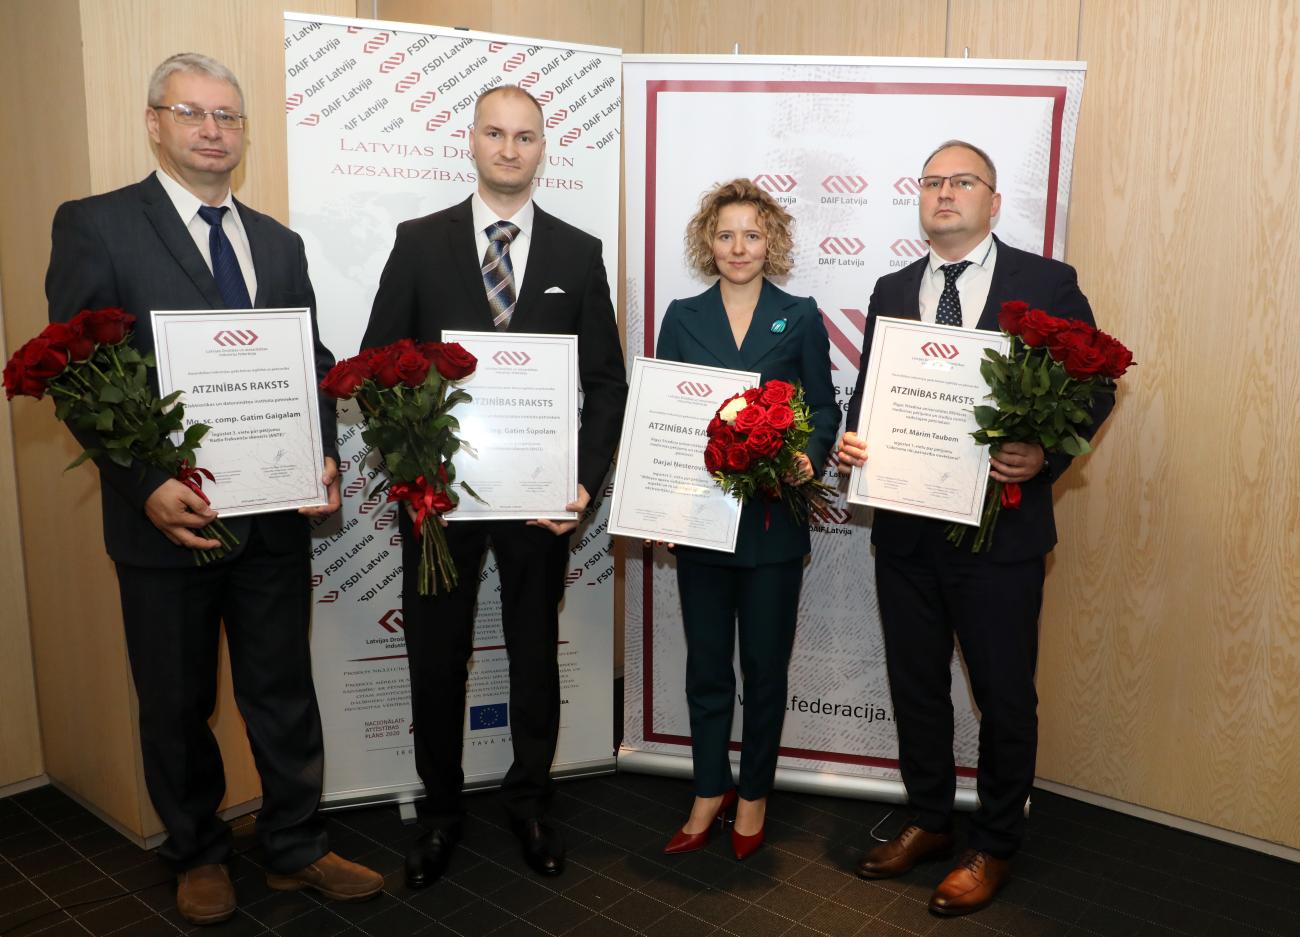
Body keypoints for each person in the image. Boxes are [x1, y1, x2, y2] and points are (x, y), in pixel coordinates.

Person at [44, 53, 382, 925]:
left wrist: (321, 452)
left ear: (244, 133)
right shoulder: (96, 225)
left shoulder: (278, 242)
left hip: (272, 517)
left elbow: (306, 362)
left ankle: (295, 845)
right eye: (191, 112)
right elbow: (74, 374)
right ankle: (196, 852)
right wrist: (143, 484)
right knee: (176, 699)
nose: (212, 130)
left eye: (228, 116)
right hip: (167, 522)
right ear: (154, 122)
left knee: (282, 690)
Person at [837, 141, 1114, 915]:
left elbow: (1095, 388)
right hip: (906, 532)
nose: (945, 193)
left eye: (962, 182)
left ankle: (994, 841)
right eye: (932, 182)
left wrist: (1045, 454)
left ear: (993, 201)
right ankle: (930, 818)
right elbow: (871, 393)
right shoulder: (893, 287)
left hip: (1002, 537)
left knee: (1003, 695)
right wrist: (855, 439)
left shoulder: (1047, 283)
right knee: (916, 685)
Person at [360, 84, 627, 886]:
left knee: (534, 651)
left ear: (544, 147)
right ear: (471, 141)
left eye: (525, 136)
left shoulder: (578, 252)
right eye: (496, 134)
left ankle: (530, 800)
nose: (510, 149)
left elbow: (606, 384)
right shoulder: (419, 242)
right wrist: (412, 463)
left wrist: (582, 483)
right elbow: (375, 368)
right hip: (438, 500)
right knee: (437, 656)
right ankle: (441, 811)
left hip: (540, 502)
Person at [654, 179, 838, 860]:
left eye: (752, 235)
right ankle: (709, 788)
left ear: (772, 243)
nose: (739, 247)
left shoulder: (801, 315)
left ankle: (754, 792)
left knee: (764, 669)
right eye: (726, 234)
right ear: (709, 242)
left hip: (772, 524)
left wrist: (809, 455)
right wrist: (656, 501)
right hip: (699, 520)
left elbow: (823, 406)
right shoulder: (681, 317)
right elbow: (663, 419)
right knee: (707, 667)